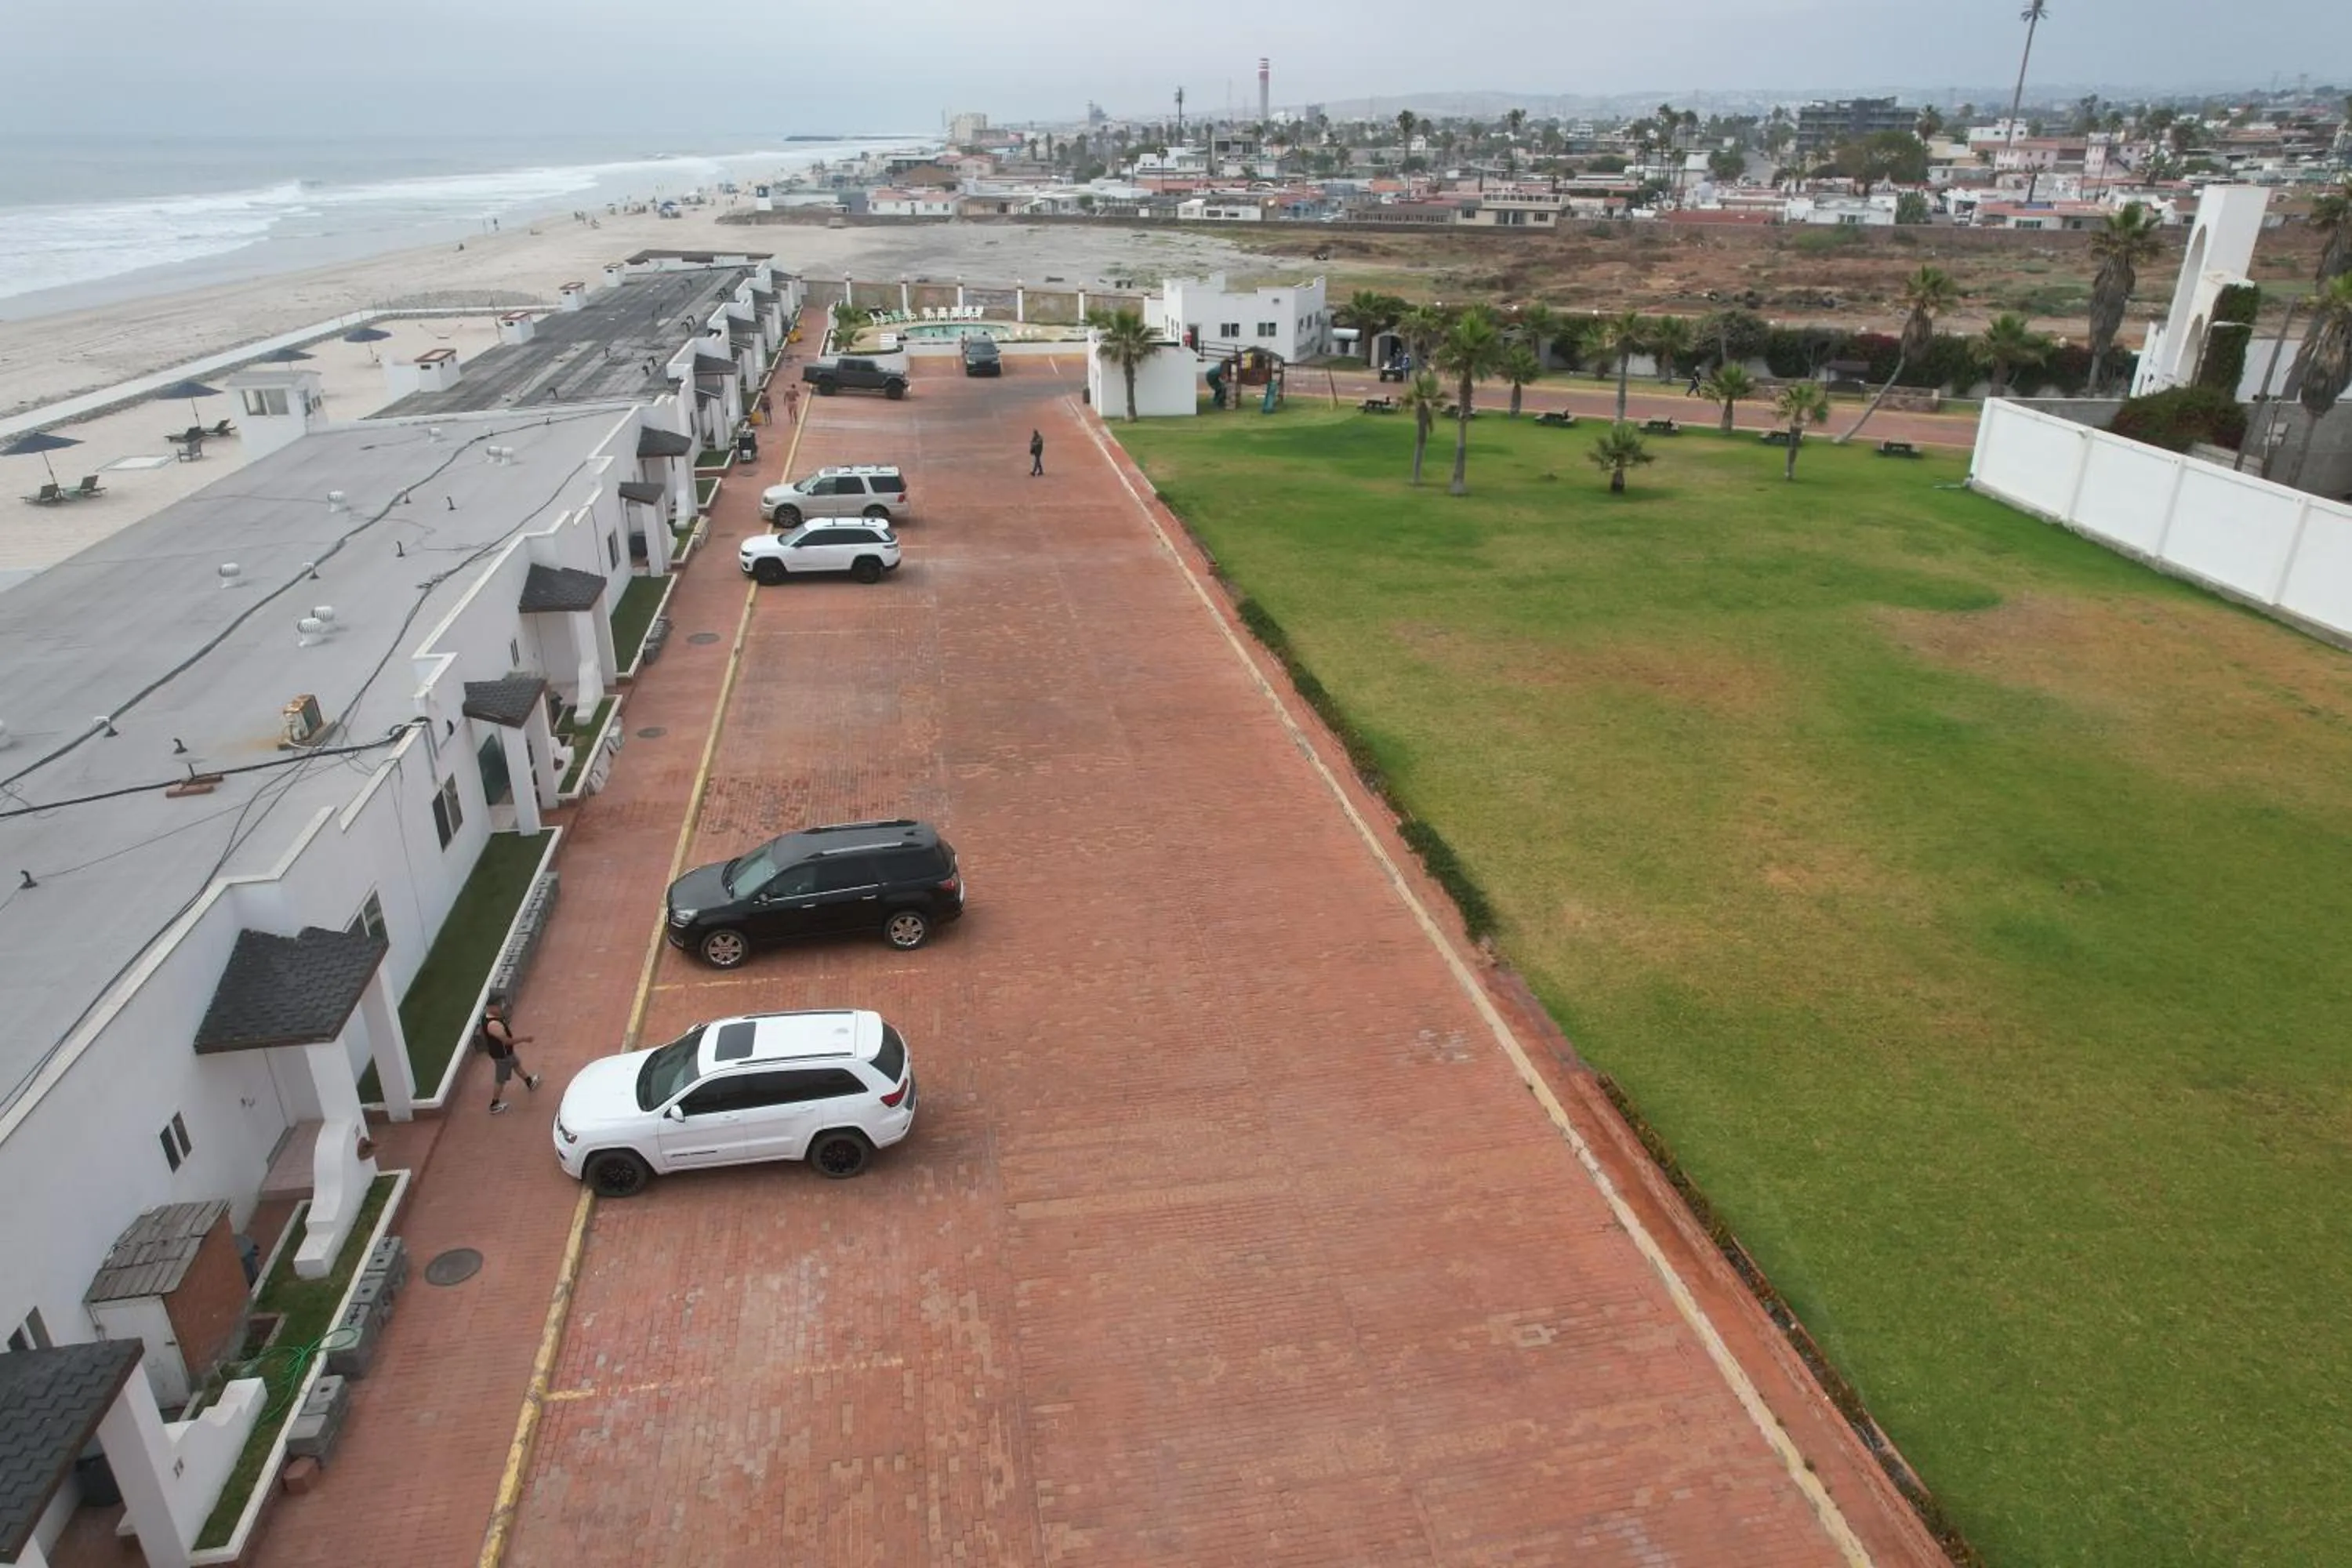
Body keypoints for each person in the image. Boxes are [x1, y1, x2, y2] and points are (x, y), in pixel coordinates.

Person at [477, 1004, 540, 1115]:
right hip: (503, 1056)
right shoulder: (493, 1025)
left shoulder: (488, 1017)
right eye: (497, 1006)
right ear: (490, 1007)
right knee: (500, 1080)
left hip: (506, 1053)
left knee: (516, 1064)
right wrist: (524, 1039)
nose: (499, 1008)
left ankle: (529, 1082)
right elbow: (507, 1041)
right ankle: (494, 1104)